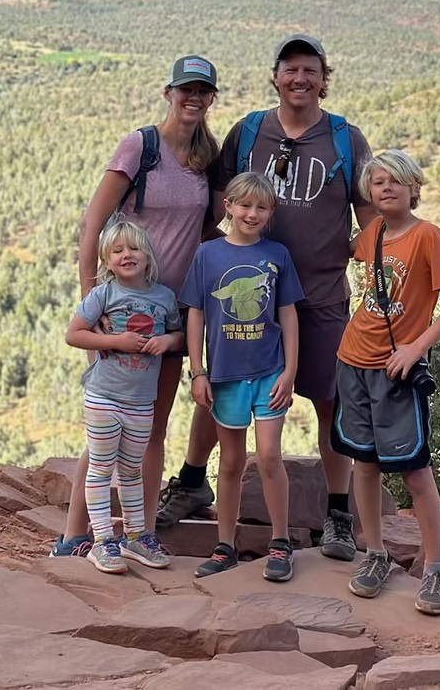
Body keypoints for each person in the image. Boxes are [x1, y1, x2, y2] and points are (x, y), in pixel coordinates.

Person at [158, 35, 375, 562]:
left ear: (325, 78)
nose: (300, 79)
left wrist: (352, 255)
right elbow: (215, 208)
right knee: (225, 383)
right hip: (245, 295)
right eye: (290, 70)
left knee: (329, 400)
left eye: (310, 70)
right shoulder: (249, 132)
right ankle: (192, 480)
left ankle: (339, 513)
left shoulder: (346, 138)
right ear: (275, 77)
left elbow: (370, 218)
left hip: (320, 295)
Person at [51, 55, 221, 563]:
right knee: (108, 424)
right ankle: (74, 535)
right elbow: (93, 227)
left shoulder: (206, 157)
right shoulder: (140, 147)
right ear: (168, 92)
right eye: (185, 89)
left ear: (212, 98)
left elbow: (208, 228)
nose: (193, 98)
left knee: (151, 425)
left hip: (175, 314)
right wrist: (93, 303)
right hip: (122, 312)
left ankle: (140, 533)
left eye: (203, 91)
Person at [333, 149, 440, 615]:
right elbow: (337, 245)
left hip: (397, 368)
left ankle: (435, 568)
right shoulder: (371, 233)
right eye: (377, 183)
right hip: (353, 359)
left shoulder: (427, 236)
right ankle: (375, 554)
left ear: (414, 188)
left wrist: (417, 347)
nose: (387, 188)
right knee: (364, 464)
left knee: (414, 469)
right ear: (369, 195)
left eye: (396, 181)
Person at [182, 173, 302, 581]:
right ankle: (225, 546)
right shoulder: (208, 254)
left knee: (269, 455)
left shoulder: (278, 254)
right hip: (225, 375)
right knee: (230, 461)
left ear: (270, 213)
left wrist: (290, 370)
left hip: (269, 371)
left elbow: (288, 313)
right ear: (228, 206)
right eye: (244, 205)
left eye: (261, 207)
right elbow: (195, 312)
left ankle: (281, 542)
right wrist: (198, 371)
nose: (252, 213)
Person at [65, 217, 184, 574]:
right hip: (104, 397)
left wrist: (167, 341)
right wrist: (115, 341)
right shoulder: (104, 294)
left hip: (141, 401)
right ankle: (102, 541)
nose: (126, 255)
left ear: (148, 256)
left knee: (132, 471)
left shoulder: (163, 298)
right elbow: (74, 334)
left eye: (133, 248)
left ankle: (135, 536)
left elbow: (180, 336)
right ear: (106, 260)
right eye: (117, 251)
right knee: (101, 470)